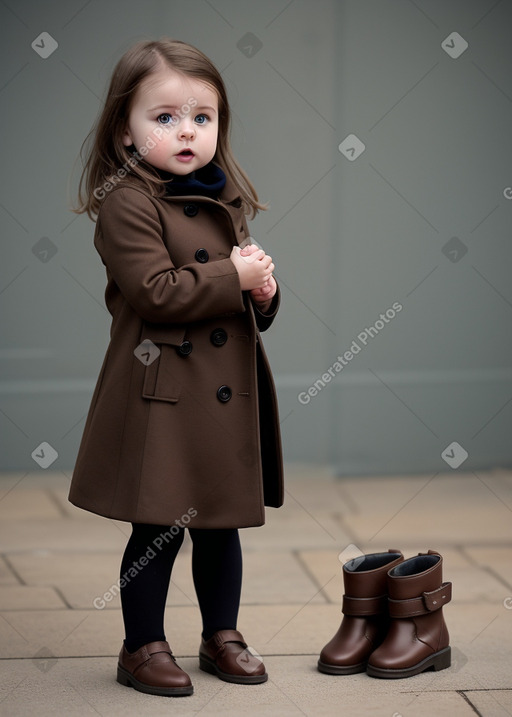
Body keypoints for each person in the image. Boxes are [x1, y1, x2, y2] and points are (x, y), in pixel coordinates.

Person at [69, 38, 284, 698]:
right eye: (164, 117)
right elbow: (156, 293)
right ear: (125, 132)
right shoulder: (127, 204)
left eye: (202, 116)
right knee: (159, 523)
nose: (186, 131)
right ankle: (142, 644)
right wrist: (231, 273)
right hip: (162, 392)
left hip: (223, 395)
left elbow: (234, 299)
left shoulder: (223, 197)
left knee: (222, 521)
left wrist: (262, 293)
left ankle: (222, 632)